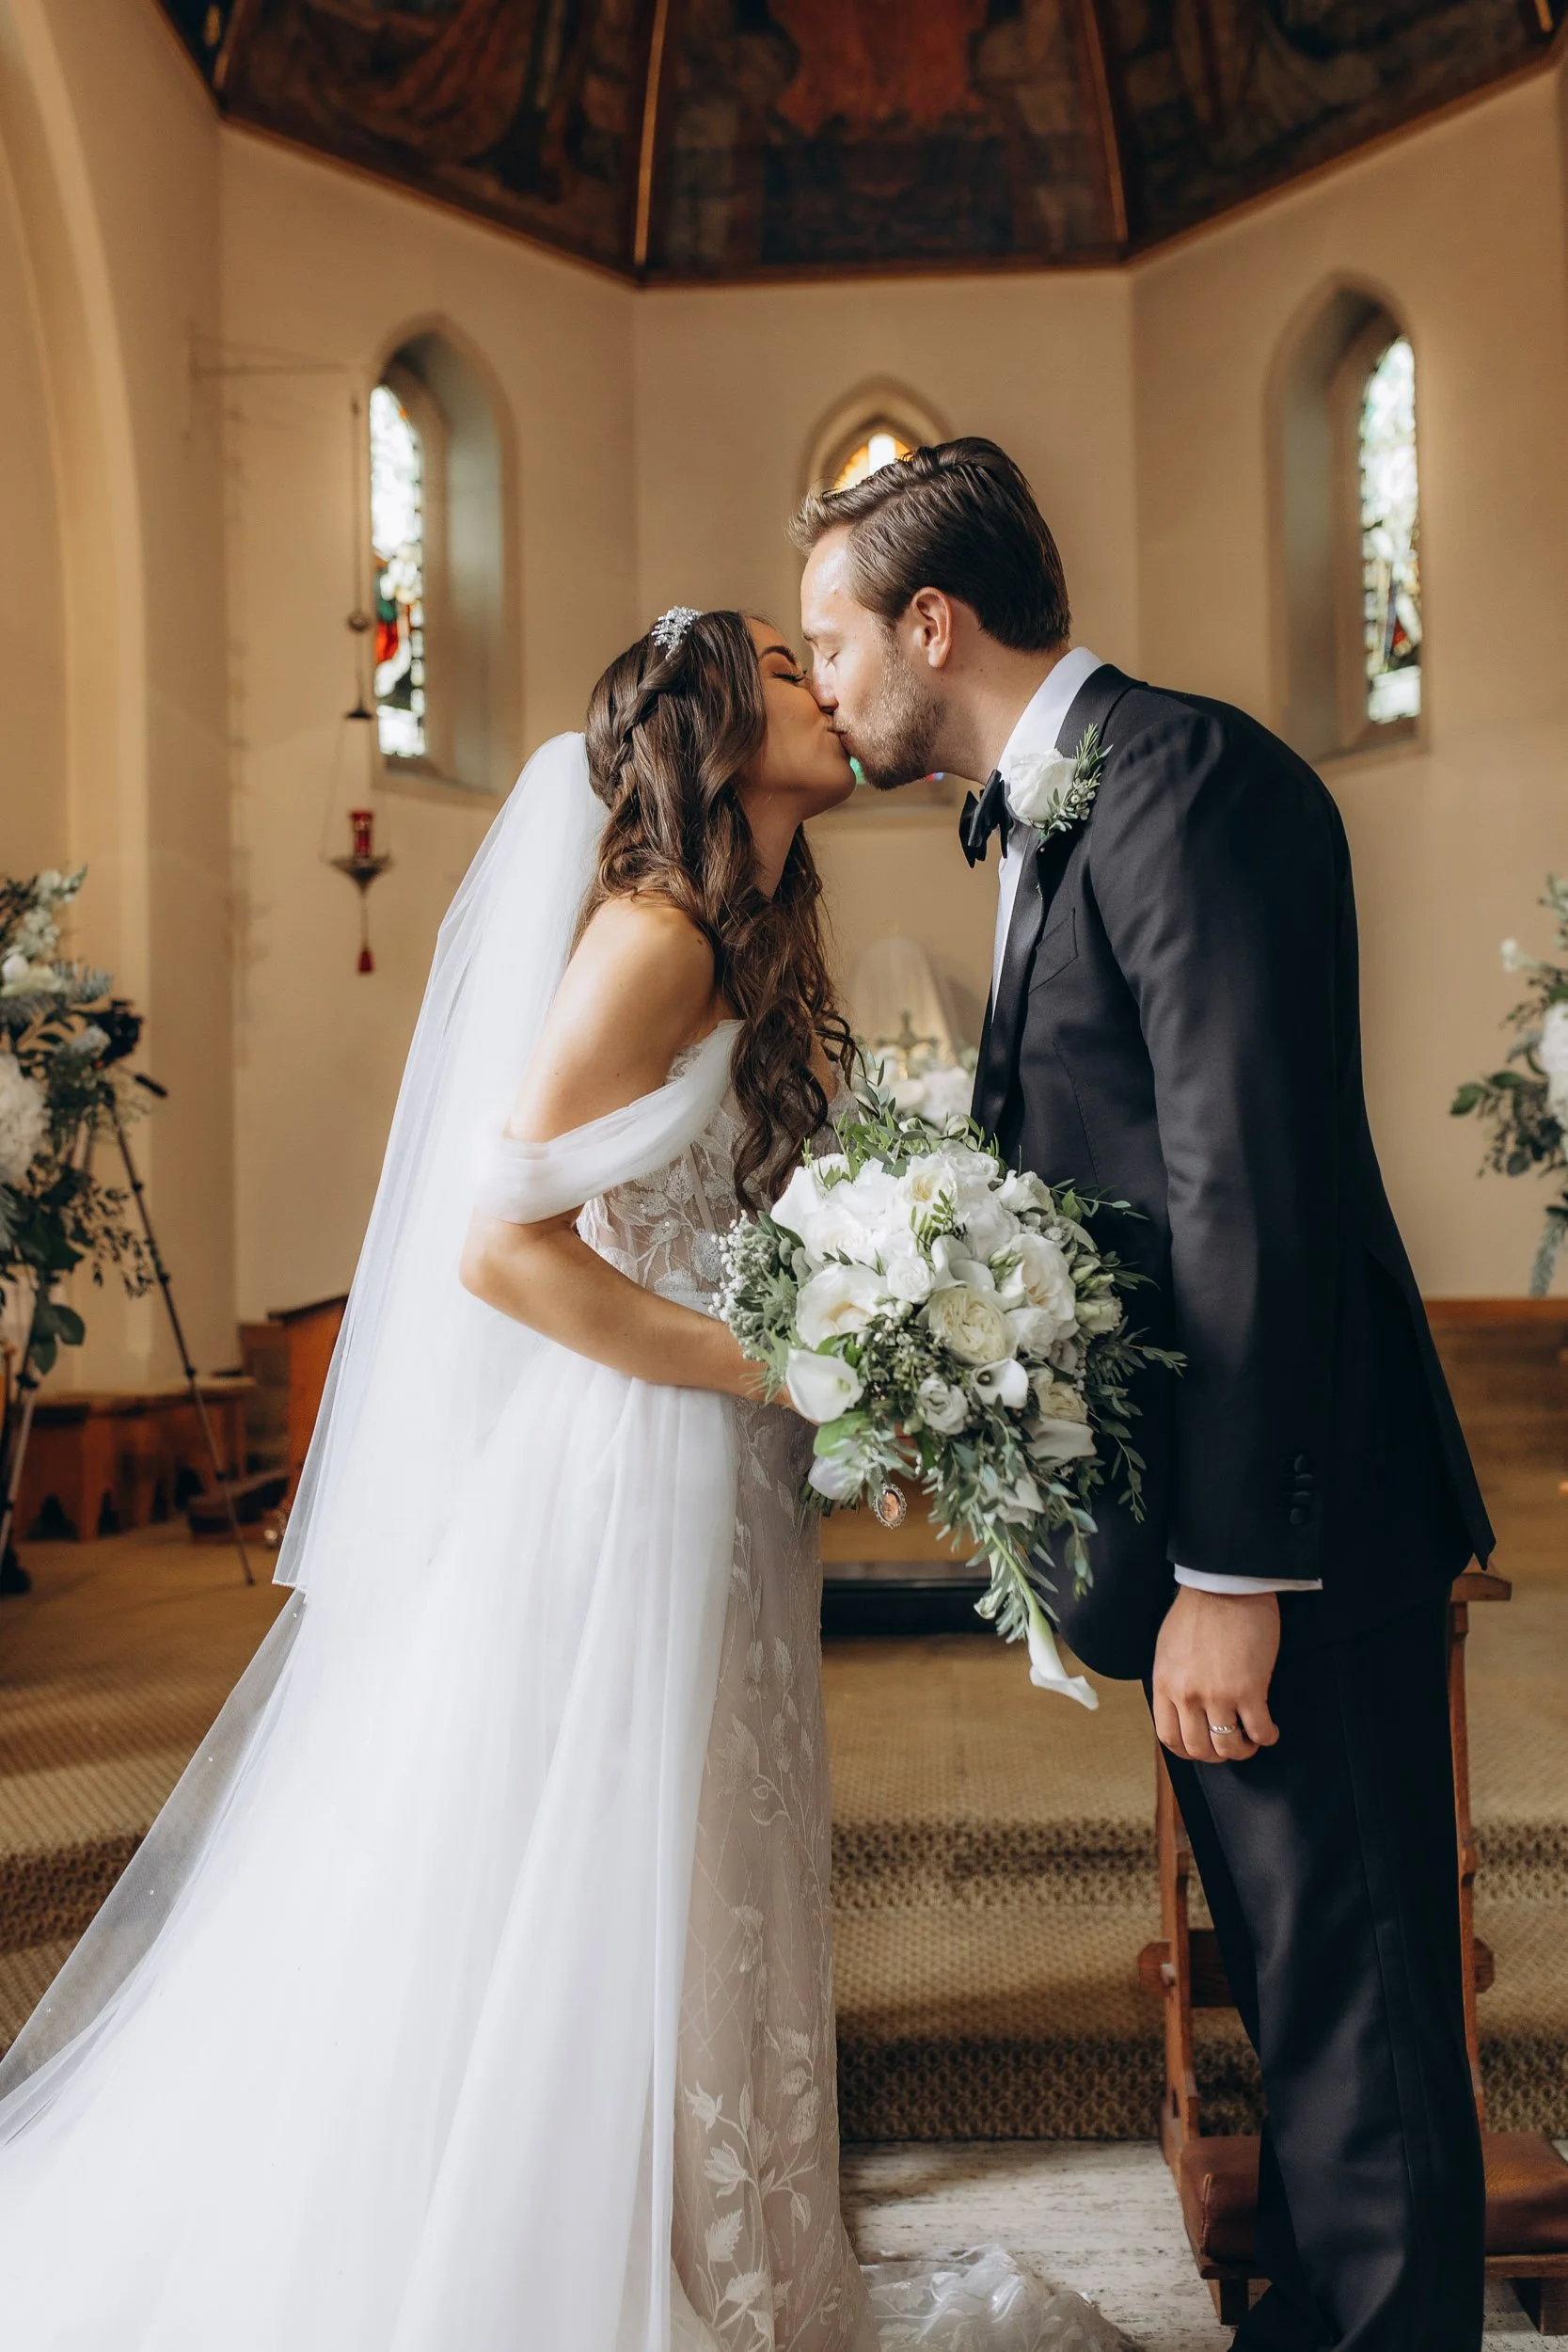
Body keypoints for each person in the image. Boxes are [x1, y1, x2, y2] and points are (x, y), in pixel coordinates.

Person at [0, 607, 1116, 2352]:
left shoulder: (736, 938)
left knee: (699, 1863)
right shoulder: (655, 941)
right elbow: (500, 1254)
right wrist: (790, 1366)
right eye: (776, 658)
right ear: (710, 727)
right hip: (623, 1475)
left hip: (707, 1462)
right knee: (609, 1865)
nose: (821, 681)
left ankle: (712, 2240)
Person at [797, 441, 1495, 2352]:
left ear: (929, 621)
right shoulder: (1051, 816)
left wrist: (1226, 1568)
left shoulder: (1190, 784)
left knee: (1352, 1999)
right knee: (1289, 1980)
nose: (824, 681)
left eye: (829, 638)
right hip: (1214, 1511)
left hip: (1295, 1522)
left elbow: (1242, 1187)